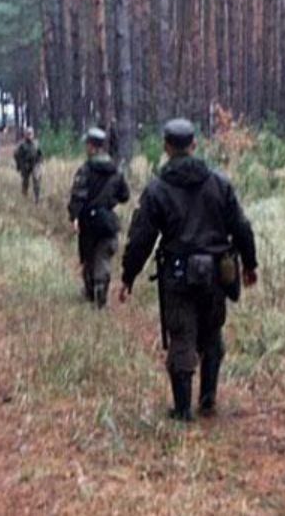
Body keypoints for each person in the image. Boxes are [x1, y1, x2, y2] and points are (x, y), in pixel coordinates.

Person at [119, 119, 259, 422]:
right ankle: (208, 400)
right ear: (193, 145)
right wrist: (250, 265)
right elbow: (241, 227)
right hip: (216, 274)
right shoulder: (219, 183)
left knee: (182, 336)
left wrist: (128, 276)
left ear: (167, 147)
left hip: (178, 276)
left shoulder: (157, 189)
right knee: (211, 335)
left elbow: (141, 237)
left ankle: (183, 410)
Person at [67, 128, 130, 308]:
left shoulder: (86, 169)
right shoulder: (116, 170)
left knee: (88, 256)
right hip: (108, 221)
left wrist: (74, 216)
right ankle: (101, 291)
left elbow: (78, 195)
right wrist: (109, 201)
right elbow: (125, 195)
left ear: (92, 146)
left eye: (87, 144)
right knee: (103, 257)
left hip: (88, 221)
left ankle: (91, 292)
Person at [14, 127, 44, 203]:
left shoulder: (36, 143)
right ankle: (24, 196)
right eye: (28, 134)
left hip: (35, 164)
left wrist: (40, 163)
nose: (29, 135)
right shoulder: (22, 145)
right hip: (25, 165)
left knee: (36, 180)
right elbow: (17, 155)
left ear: (33, 134)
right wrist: (19, 166)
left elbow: (40, 154)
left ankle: (37, 198)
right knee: (25, 181)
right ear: (25, 135)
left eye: (31, 134)